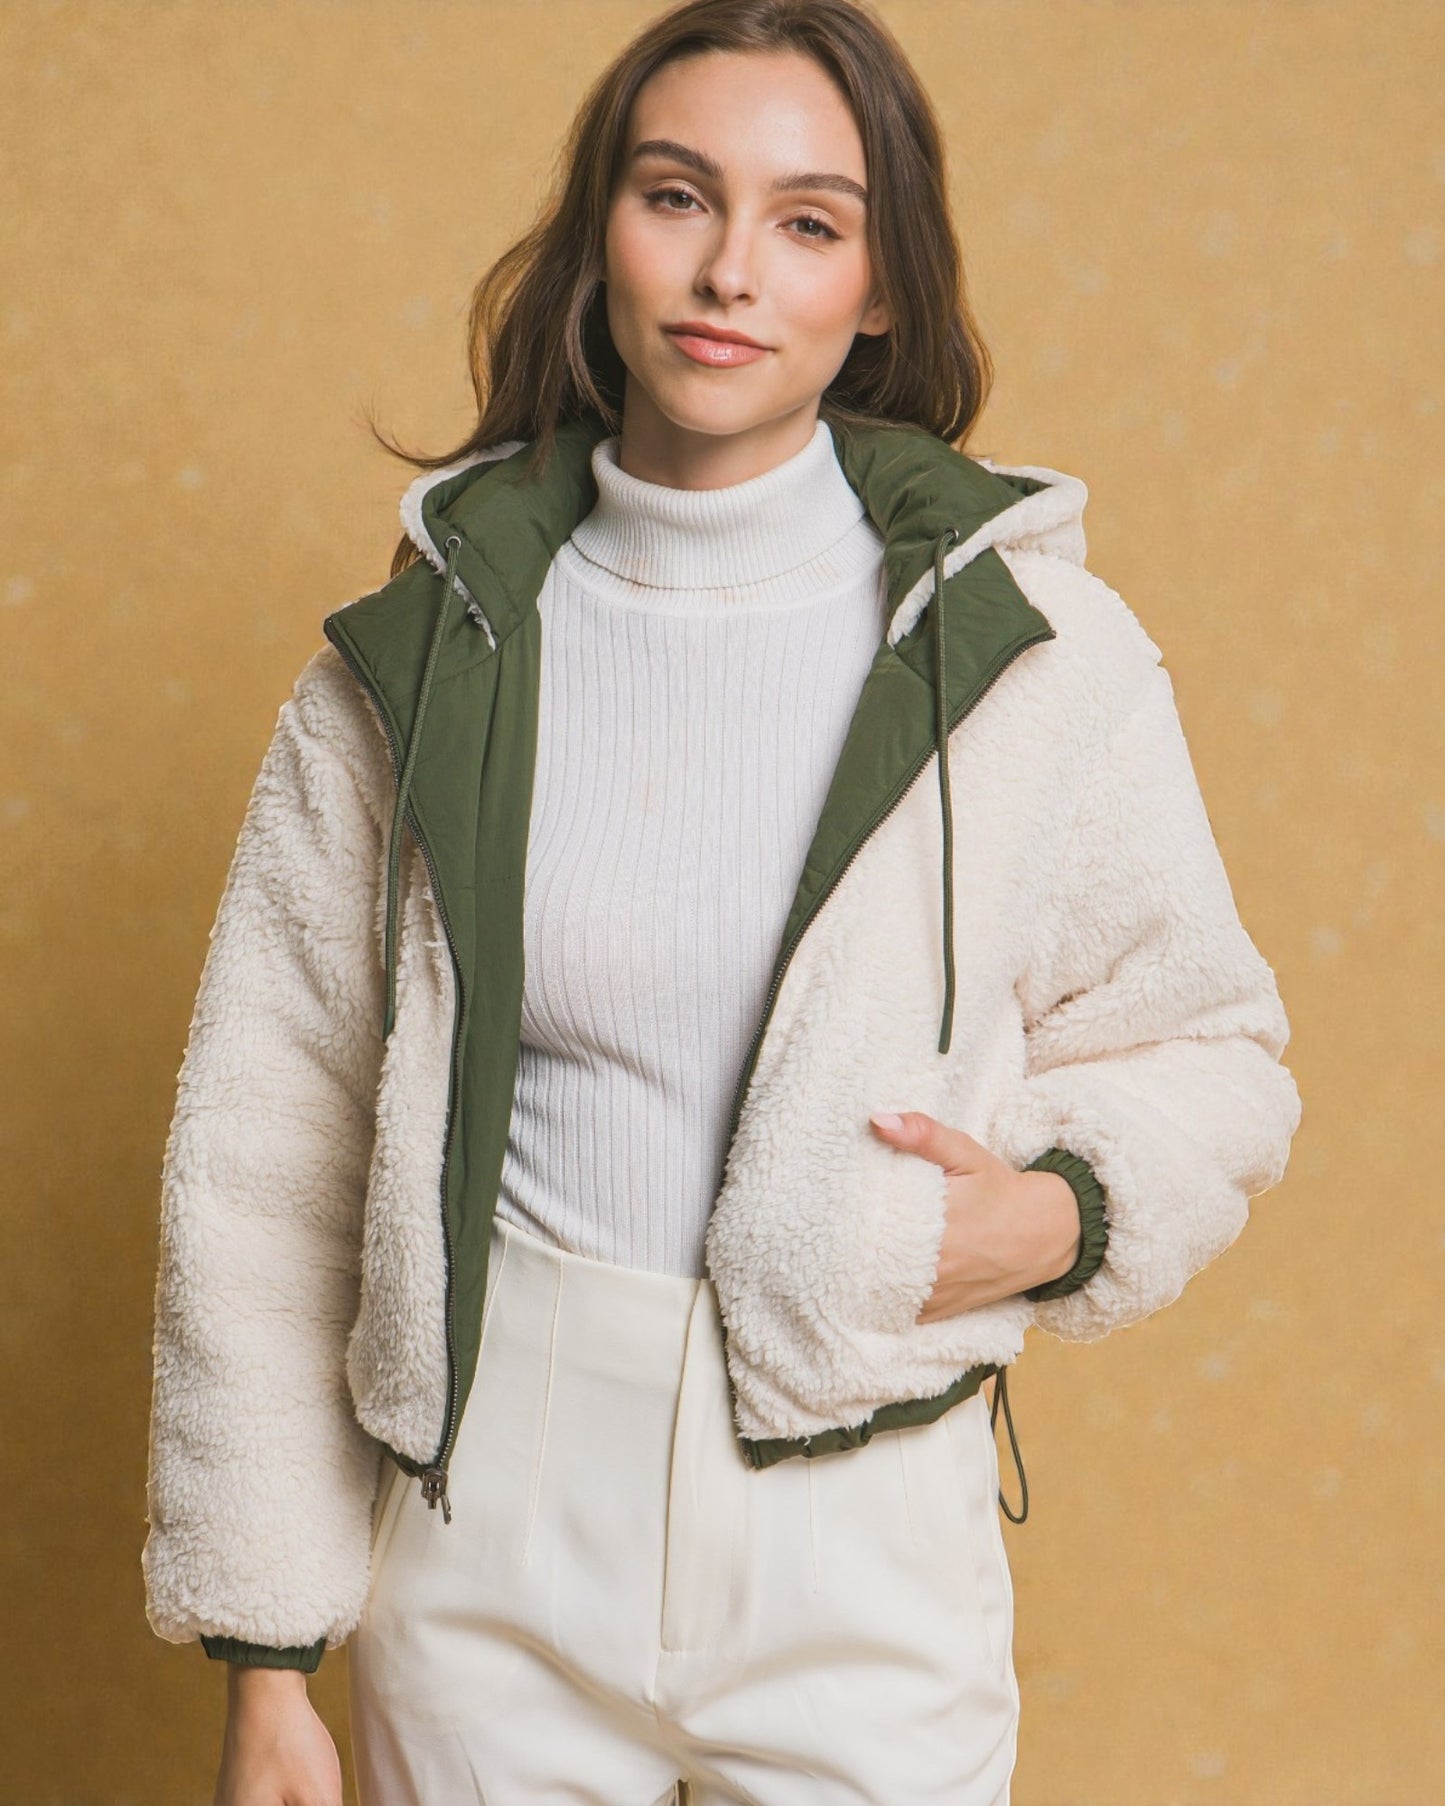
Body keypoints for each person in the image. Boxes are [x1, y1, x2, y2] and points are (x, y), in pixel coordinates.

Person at [141, 2, 1303, 1802]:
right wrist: (270, 1651)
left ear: (884, 286)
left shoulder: (1030, 655)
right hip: (486, 1533)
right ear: (599, 228)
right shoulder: (423, 656)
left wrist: (1056, 1216)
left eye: (809, 221)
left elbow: (1210, 1051)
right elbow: (268, 1142)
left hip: (861, 1523)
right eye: (677, 196)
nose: (730, 271)